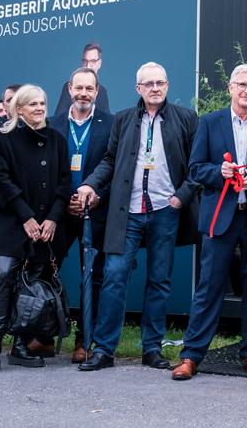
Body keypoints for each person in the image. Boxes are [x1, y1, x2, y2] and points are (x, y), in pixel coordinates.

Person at [173, 64, 247, 381]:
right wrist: (218, 173)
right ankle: (191, 355)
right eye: (242, 85)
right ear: (230, 87)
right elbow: (195, 169)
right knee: (208, 288)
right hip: (220, 218)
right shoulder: (210, 123)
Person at [77, 62, 198, 372]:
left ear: (167, 86)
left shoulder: (185, 118)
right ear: (138, 89)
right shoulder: (124, 119)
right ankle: (104, 349)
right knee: (115, 277)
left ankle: (152, 349)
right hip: (126, 211)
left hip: (165, 212)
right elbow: (109, 160)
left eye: (160, 82)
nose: (155, 88)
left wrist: (180, 197)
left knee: (159, 281)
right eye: (148, 84)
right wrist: (90, 182)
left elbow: (197, 165)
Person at [0, 85, 68, 376]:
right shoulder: (3, 139)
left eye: (42, 103)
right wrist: (26, 216)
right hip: (13, 224)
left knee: (33, 285)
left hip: (46, 228)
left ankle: (20, 345)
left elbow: (65, 182)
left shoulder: (57, 139)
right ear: (19, 109)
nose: (39, 108)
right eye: (32, 104)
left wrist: (52, 218)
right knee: (5, 277)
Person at [46, 67, 113, 363]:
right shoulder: (52, 124)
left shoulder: (112, 125)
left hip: (95, 211)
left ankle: (85, 340)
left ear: (97, 92)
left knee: (94, 278)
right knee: (47, 272)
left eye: (89, 88)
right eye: (79, 88)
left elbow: (116, 167)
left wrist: (97, 196)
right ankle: (43, 336)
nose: (83, 93)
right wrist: (62, 202)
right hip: (59, 213)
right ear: (69, 89)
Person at [53, 42, 111, 117]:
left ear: (99, 64)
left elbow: (108, 123)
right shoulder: (69, 88)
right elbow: (58, 120)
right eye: (85, 61)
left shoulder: (102, 92)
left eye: (92, 61)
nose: (88, 66)